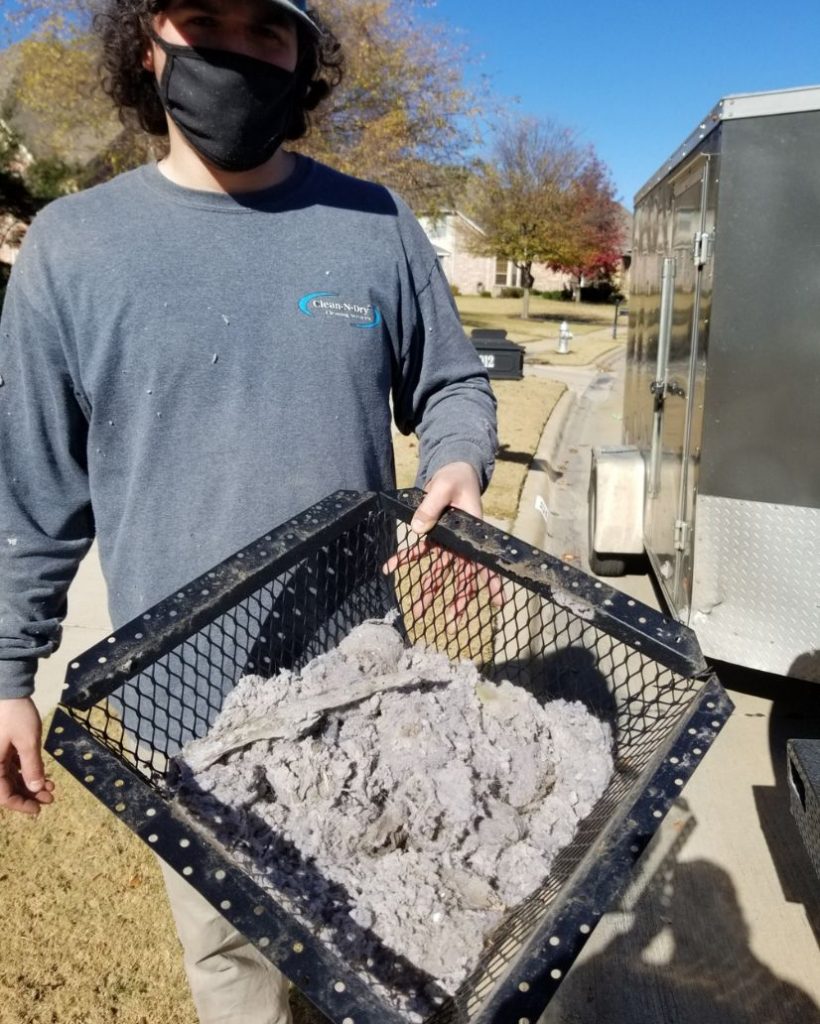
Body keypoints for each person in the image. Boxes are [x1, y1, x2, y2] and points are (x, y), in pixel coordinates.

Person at [0, 0, 497, 1021]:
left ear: (303, 60)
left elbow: (452, 383)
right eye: (204, 21)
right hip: (188, 713)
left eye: (266, 31)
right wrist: (8, 673)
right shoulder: (72, 247)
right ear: (149, 47)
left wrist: (457, 458)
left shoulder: (375, 223)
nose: (235, 50)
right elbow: (34, 489)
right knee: (238, 970)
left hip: (365, 685)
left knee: (380, 952)